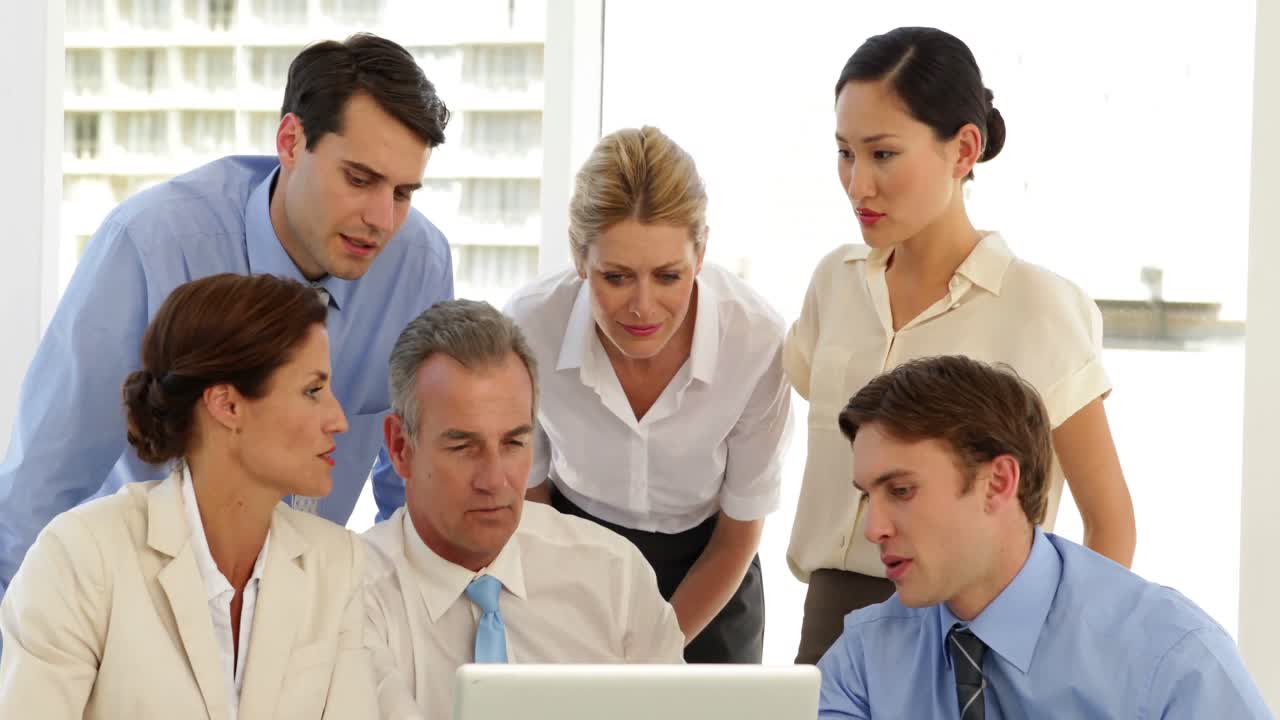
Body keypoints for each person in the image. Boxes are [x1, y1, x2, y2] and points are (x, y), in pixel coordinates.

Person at [0, 33, 454, 598]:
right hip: (137, 599)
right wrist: (33, 639)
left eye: (404, 193)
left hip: (301, 605)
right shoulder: (150, 244)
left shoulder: (419, 263)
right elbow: (43, 489)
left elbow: (412, 479)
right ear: (291, 142)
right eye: (359, 180)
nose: (382, 220)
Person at [787, 26, 1137, 664]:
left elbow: (1110, 522)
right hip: (829, 628)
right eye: (844, 153)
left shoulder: (1039, 306)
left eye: (883, 154)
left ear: (964, 149)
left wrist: (1059, 658)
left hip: (972, 630)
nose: (858, 184)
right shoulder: (833, 284)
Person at [0, 274, 376, 719]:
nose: (339, 420)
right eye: (313, 390)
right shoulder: (80, 556)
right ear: (227, 405)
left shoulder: (338, 564)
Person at [816, 355, 1268, 719]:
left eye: (901, 491)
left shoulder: (1170, 658)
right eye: (867, 497)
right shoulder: (865, 659)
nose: (873, 528)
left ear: (998, 483)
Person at [504, 126, 793, 663]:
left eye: (668, 276)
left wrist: (651, 655)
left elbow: (738, 534)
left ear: (701, 253)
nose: (642, 306)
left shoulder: (756, 341)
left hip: (710, 564)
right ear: (579, 257)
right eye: (616, 277)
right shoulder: (530, 326)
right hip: (570, 552)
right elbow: (531, 496)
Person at [362, 300, 684, 719]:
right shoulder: (352, 597)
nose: (494, 480)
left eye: (514, 443)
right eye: (462, 447)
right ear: (400, 448)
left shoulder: (613, 575)